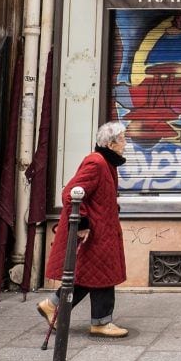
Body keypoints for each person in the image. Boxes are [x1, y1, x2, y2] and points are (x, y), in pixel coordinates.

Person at [37, 121, 131, 338]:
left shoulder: (107, 163)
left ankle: (52, 305)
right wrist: (82, 224)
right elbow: (71, 193)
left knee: (92, 275)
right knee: (102, 274)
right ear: (111, 143)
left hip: (103, 231)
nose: (125, 143)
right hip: (96, 233)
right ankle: (100, 323)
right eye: (123, 139)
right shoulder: (96, 163)